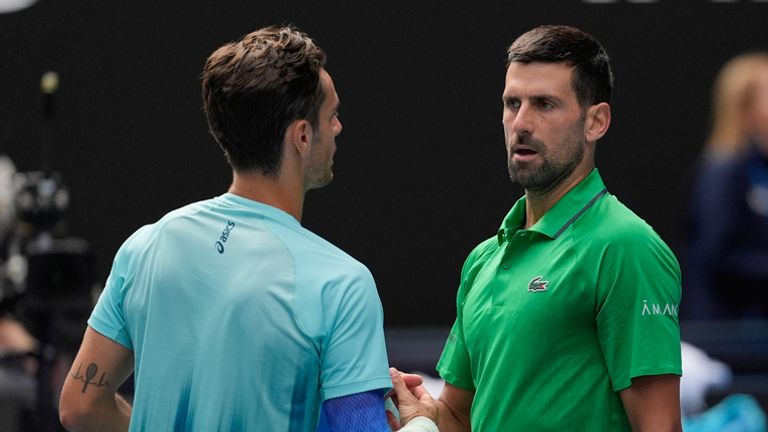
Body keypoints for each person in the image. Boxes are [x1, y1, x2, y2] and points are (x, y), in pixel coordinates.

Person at [57, 25, 434, 432]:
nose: (339, 127)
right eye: (333, 115)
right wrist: (422, 425)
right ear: (303, 136)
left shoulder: (145, 246)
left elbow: (80, 407)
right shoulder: (342, 285)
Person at [391, 25, 683, 431]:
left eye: (544, 104)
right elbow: (459, 417)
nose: (521, 123)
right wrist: (425, 418)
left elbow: (660, 427)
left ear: (595, 121)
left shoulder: (626, 246)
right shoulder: (483, 259)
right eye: (513, 103)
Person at [681, 52, 768, 320]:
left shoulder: (761, 167)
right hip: (722, 332)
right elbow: (716, 257)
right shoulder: (724, 170)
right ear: (745, 107)